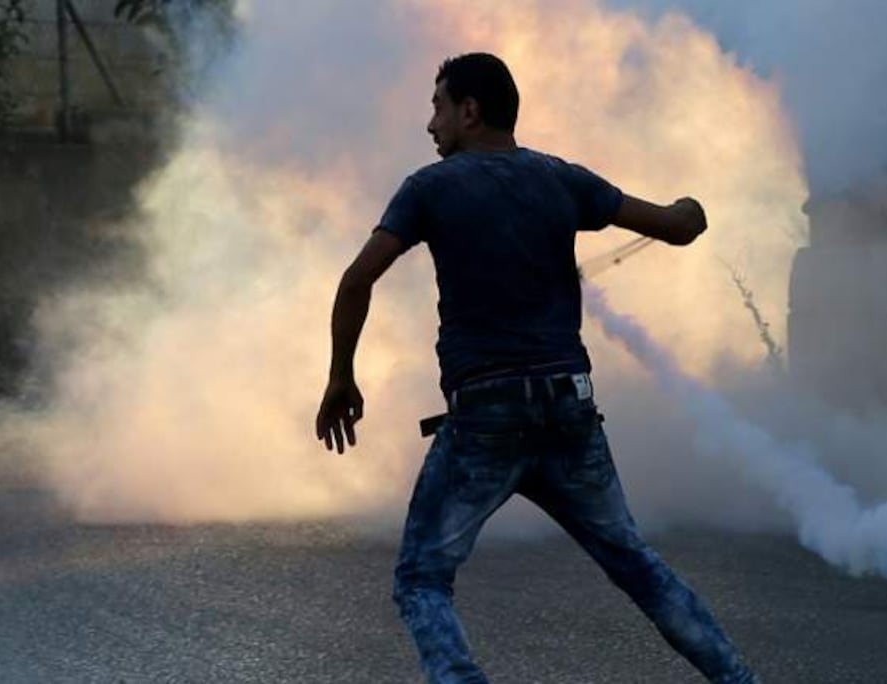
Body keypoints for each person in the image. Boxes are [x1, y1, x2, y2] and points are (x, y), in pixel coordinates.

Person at [315, 52, 759, 684]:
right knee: (636, 565)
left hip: (485, 417)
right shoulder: (561, 179)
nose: (430, 123)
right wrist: (692, 207)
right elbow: (678, 227)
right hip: (568, 409)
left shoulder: (428, 189)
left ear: (470, 111)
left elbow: (358, 279)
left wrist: (340, 376)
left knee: (422, 578)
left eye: (438, 106)